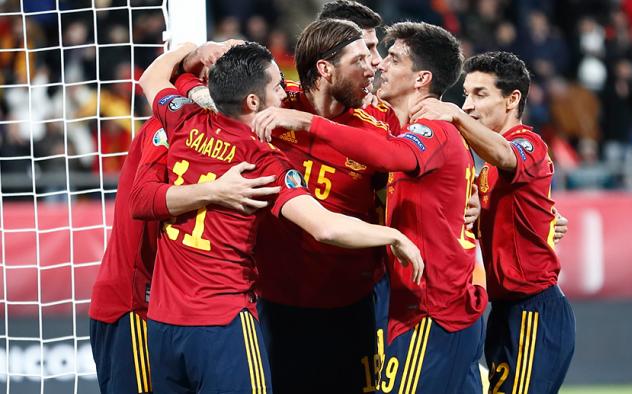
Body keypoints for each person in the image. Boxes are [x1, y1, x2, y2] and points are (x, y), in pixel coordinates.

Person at [136, 41, 423, 394]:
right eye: (276, 87)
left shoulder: (184, 118)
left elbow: (152, 77)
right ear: (253, 103)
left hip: (164, 322)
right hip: (223, 320)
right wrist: (394, 236)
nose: (284, 95)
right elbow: (326, 227)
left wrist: (193, 50)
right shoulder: (263, 161)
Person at [254, 22, 489, 393]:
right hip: (418, 307)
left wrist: (309, 122)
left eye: (392, 58)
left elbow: (394, 155)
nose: (379, 65)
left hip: (432, 308)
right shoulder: (406, 130)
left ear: (421, 78)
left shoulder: (433, 128)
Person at [88, 84, 280, 393]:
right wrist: (216, 190)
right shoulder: (167, 127)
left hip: (168, 308)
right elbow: (141, 199)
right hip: (133, 305)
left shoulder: (217, 136)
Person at [410, 51, 576, 394]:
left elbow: (504, 154)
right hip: (504, 310)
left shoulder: (529, 144)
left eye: (480, 94)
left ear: (512, 99)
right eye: (466, 95)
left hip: (534, 310)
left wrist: (454, 117)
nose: (468, 105)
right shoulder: (487, 174)